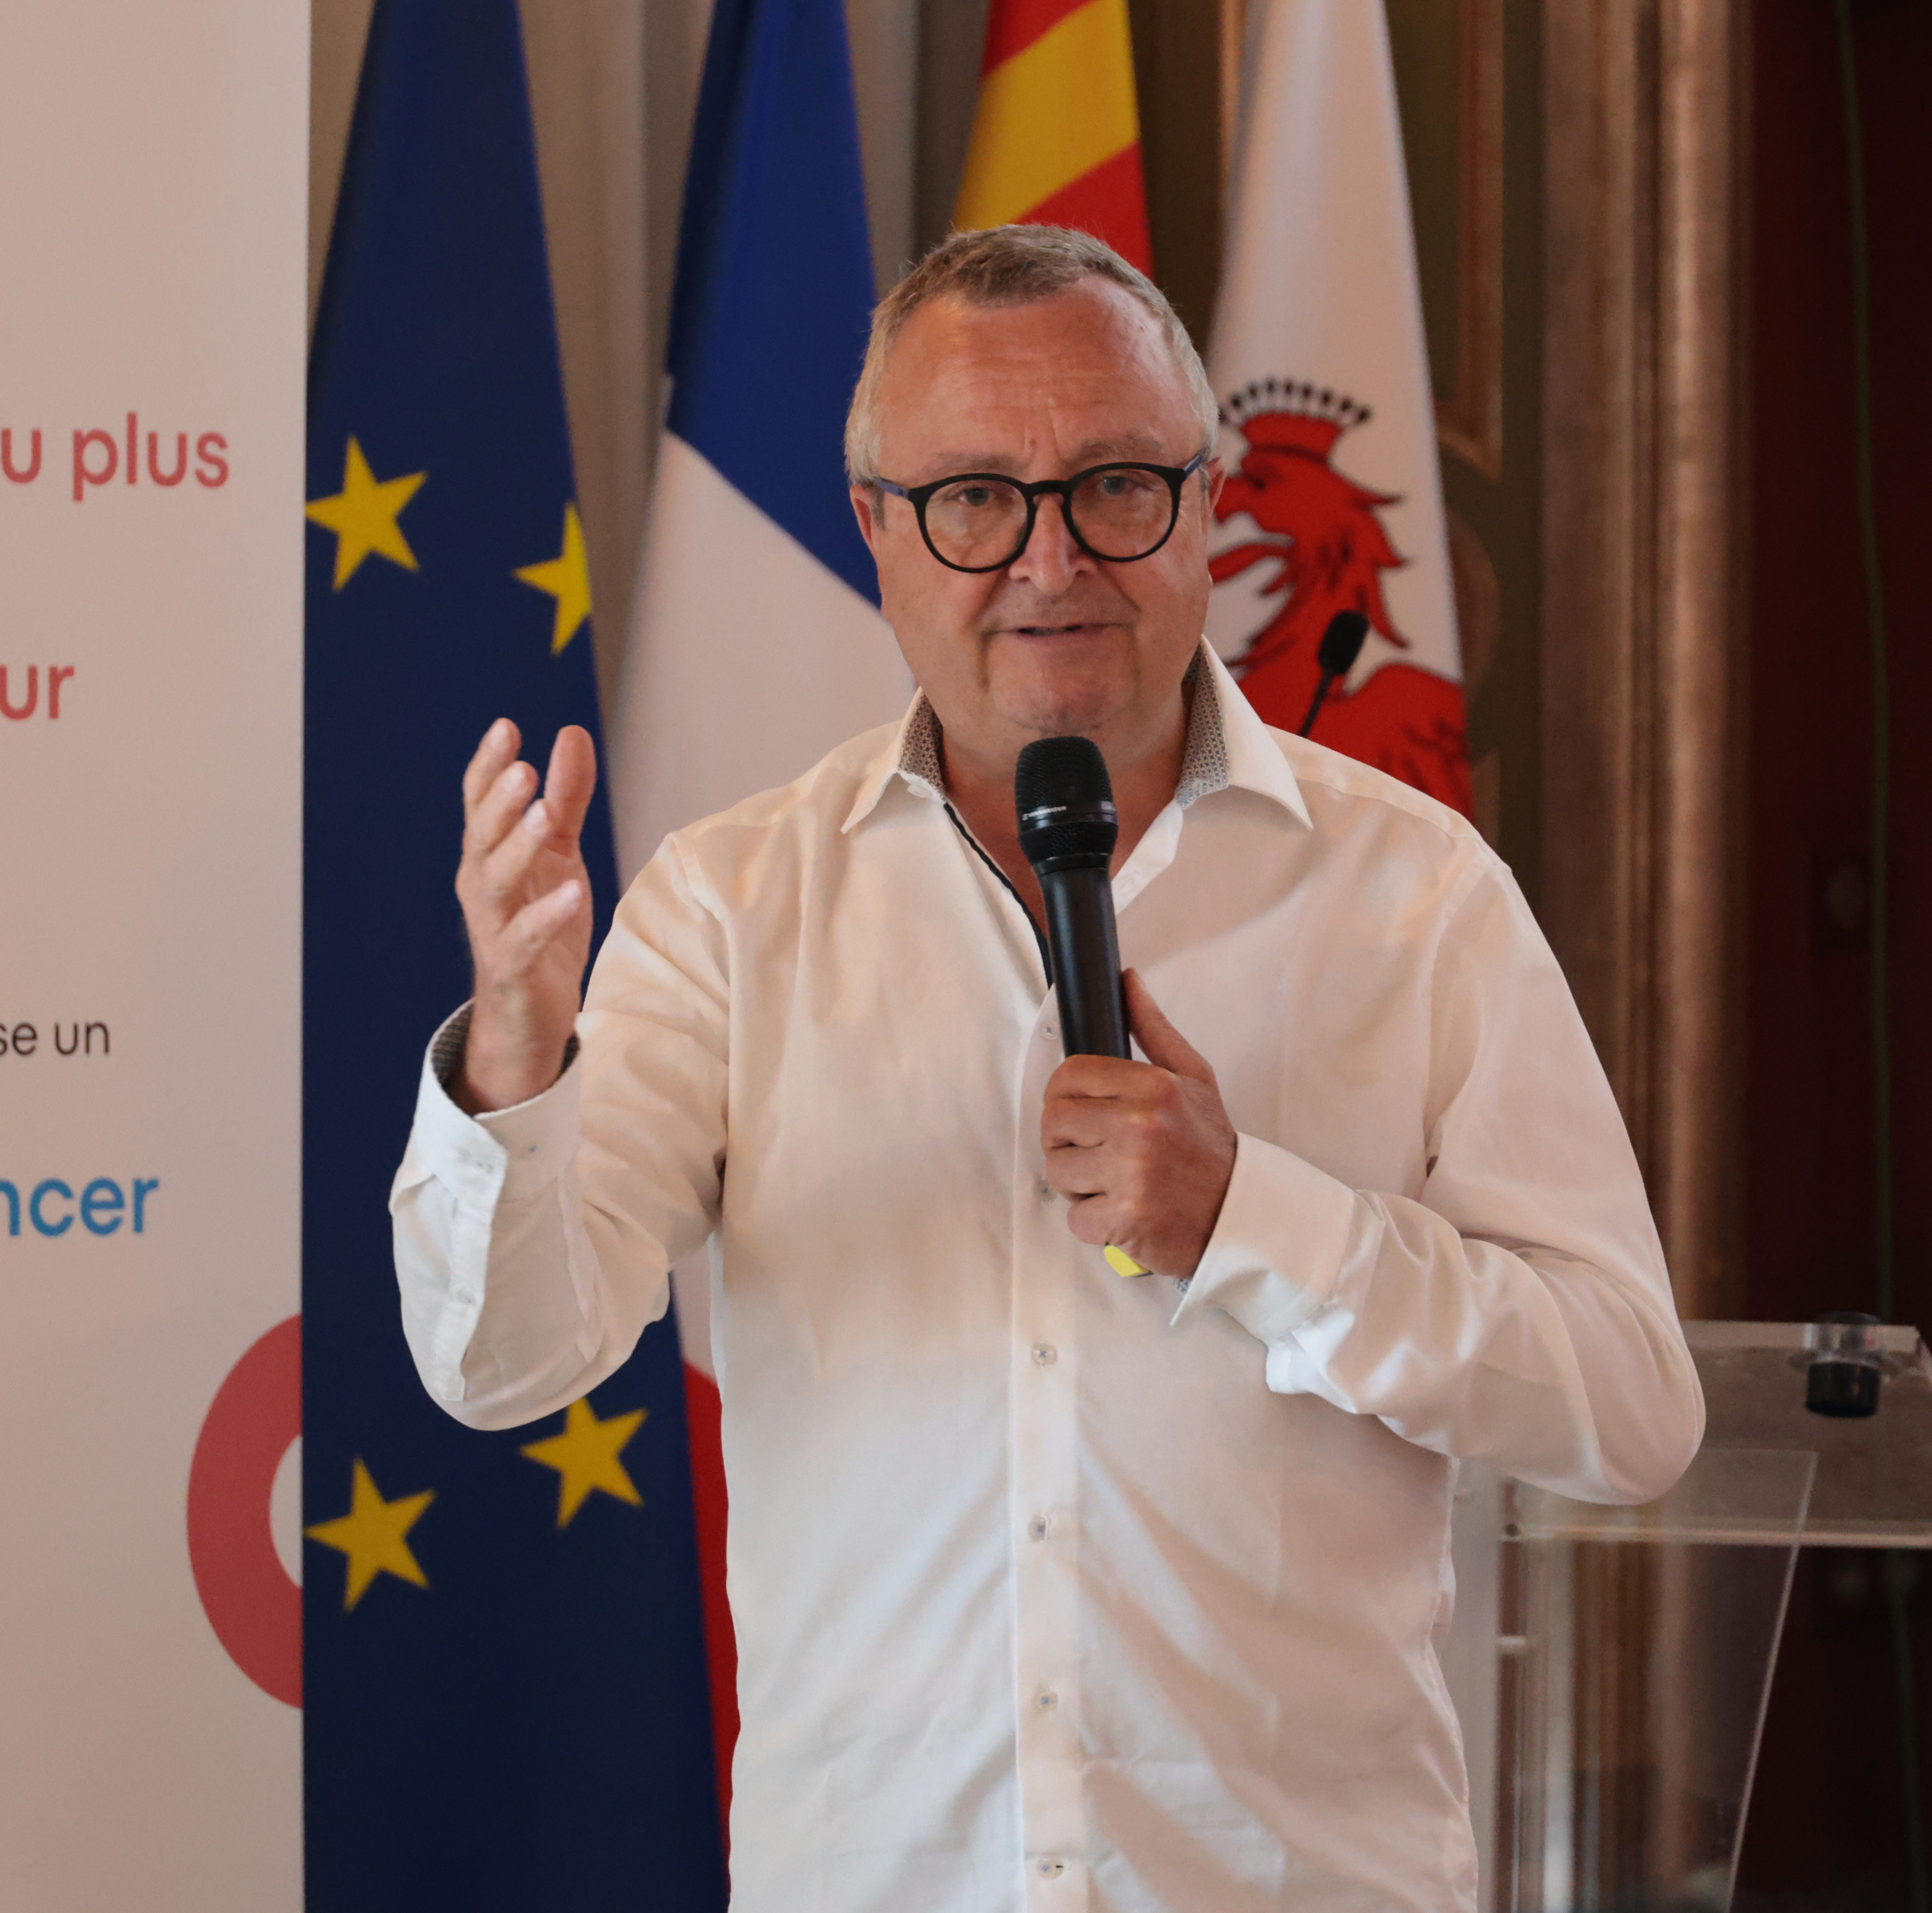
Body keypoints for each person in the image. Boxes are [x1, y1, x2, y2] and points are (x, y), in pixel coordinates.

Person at [393, 225, 1701, 1912]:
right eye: (975, 500)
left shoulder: (1416, 893)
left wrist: (1255, 1222)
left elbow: (1630, 1407)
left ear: (1209, 503)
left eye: (1115, 487)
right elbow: (502, 1364)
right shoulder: (732, 903)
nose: (1050, 557)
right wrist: (518, 1047)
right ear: (876, 530)